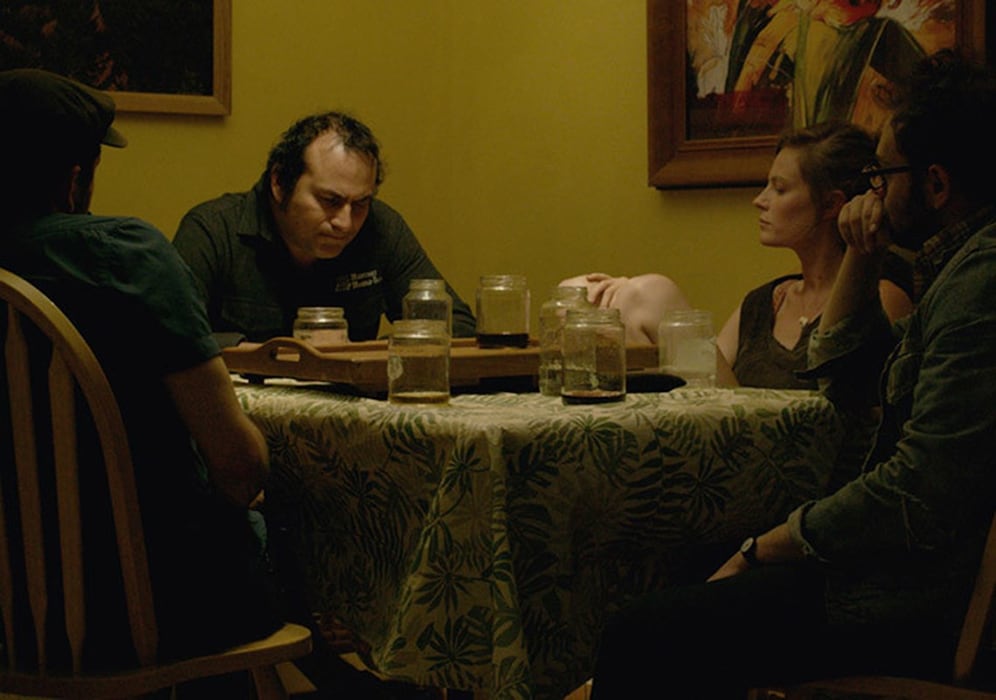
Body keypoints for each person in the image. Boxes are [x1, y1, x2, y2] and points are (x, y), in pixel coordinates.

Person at [590, 49, 996, 697]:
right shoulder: (951, 269)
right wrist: (863, 251)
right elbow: (849, 380)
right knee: (673, 576)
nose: (870, 192)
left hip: (907, 603)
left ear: (937, 185)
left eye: (881, 176)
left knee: (640, 632)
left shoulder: (979, 285)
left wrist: (769, 544)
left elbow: (917, 490)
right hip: (885, 578)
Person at [0, 68, 279, 676]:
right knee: (283, 523)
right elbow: (237, 466)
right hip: (136, 616)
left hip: (9, 622)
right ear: (75, 178)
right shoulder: (122, 256)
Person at [562, 120, 914, 389]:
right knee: (589, 296)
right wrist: (624, 299)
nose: (759, 200)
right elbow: (700, 389)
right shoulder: (762, 304)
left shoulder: (877, 296)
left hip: (806, 455)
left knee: (653, 293)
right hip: (733, 443)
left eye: (779, 189)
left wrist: (647, 298)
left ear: (830, 204)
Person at [172, 111, 476, 346]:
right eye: (330, 201)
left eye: (361, 203)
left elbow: (458, 326)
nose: (345, 222)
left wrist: (370, 356)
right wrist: (276, 357)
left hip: (347, 405)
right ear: (279, 183)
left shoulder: (381, 228)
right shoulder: (213, 231)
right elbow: (168, 339)